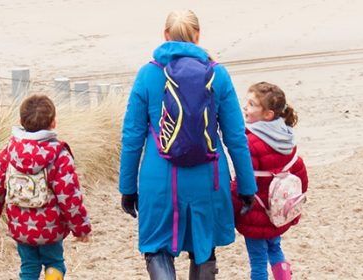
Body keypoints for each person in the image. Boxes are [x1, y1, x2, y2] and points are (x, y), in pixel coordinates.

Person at [119, 10, 257, 280]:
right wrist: (246, 185)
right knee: (204, 250)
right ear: (198, 36)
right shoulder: (218, 74)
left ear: (165, 36)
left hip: (158, 180)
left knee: (157, 249)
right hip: (207, 178)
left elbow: (132, 137)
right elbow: (236, 137)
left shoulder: (148, 74)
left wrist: (127, 187)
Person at [0, 94, 91, 280]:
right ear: (54, 123)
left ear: (20, 121)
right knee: (54, 263)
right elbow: (69, 196)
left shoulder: (10, 150)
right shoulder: (59, 155)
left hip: (21, 227)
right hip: (51, 228)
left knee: (29, 267)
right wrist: (80, 228)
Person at [231, 82, 309, 280]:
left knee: (257, 262)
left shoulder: (249, 142)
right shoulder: (286, 135)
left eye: (251, 104)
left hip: (256, 212)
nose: (245, 107)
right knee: (275, 249)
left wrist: (231, 207)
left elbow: (243, 180)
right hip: (278, 211)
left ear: (268, 114)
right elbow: (299, 171)